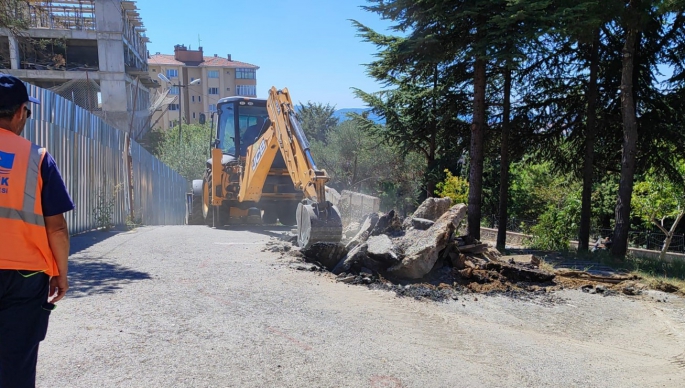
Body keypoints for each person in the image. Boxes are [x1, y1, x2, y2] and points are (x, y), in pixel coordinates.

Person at [0, 74, 74, 387]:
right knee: (16, 364)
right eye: (27, 113)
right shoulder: (38, 159)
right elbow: (56, 228)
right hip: (25, 277)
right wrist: (61, 273)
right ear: (19, 113)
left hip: (24, 278)